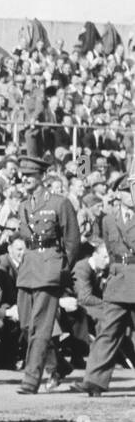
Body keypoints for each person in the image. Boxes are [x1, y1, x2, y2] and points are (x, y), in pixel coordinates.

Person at [14, 155, 81, 394]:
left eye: (30, 175)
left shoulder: (59, 203)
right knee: (25, 325)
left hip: (48, 268)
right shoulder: (23, 205)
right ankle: (58, 366)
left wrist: (61, 269)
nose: (25, 179)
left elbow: (72, 241)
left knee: (40, 328)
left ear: (41, 176)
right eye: (23, 175)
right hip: (28, 267)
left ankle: (31, 379)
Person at [75, 181, 135, 396]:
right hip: (117, 280)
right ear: (120, 193)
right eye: (128, 190)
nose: (132, 194)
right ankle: (94, 381)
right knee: (107, 332)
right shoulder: (108, 218)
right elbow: (109, 249)